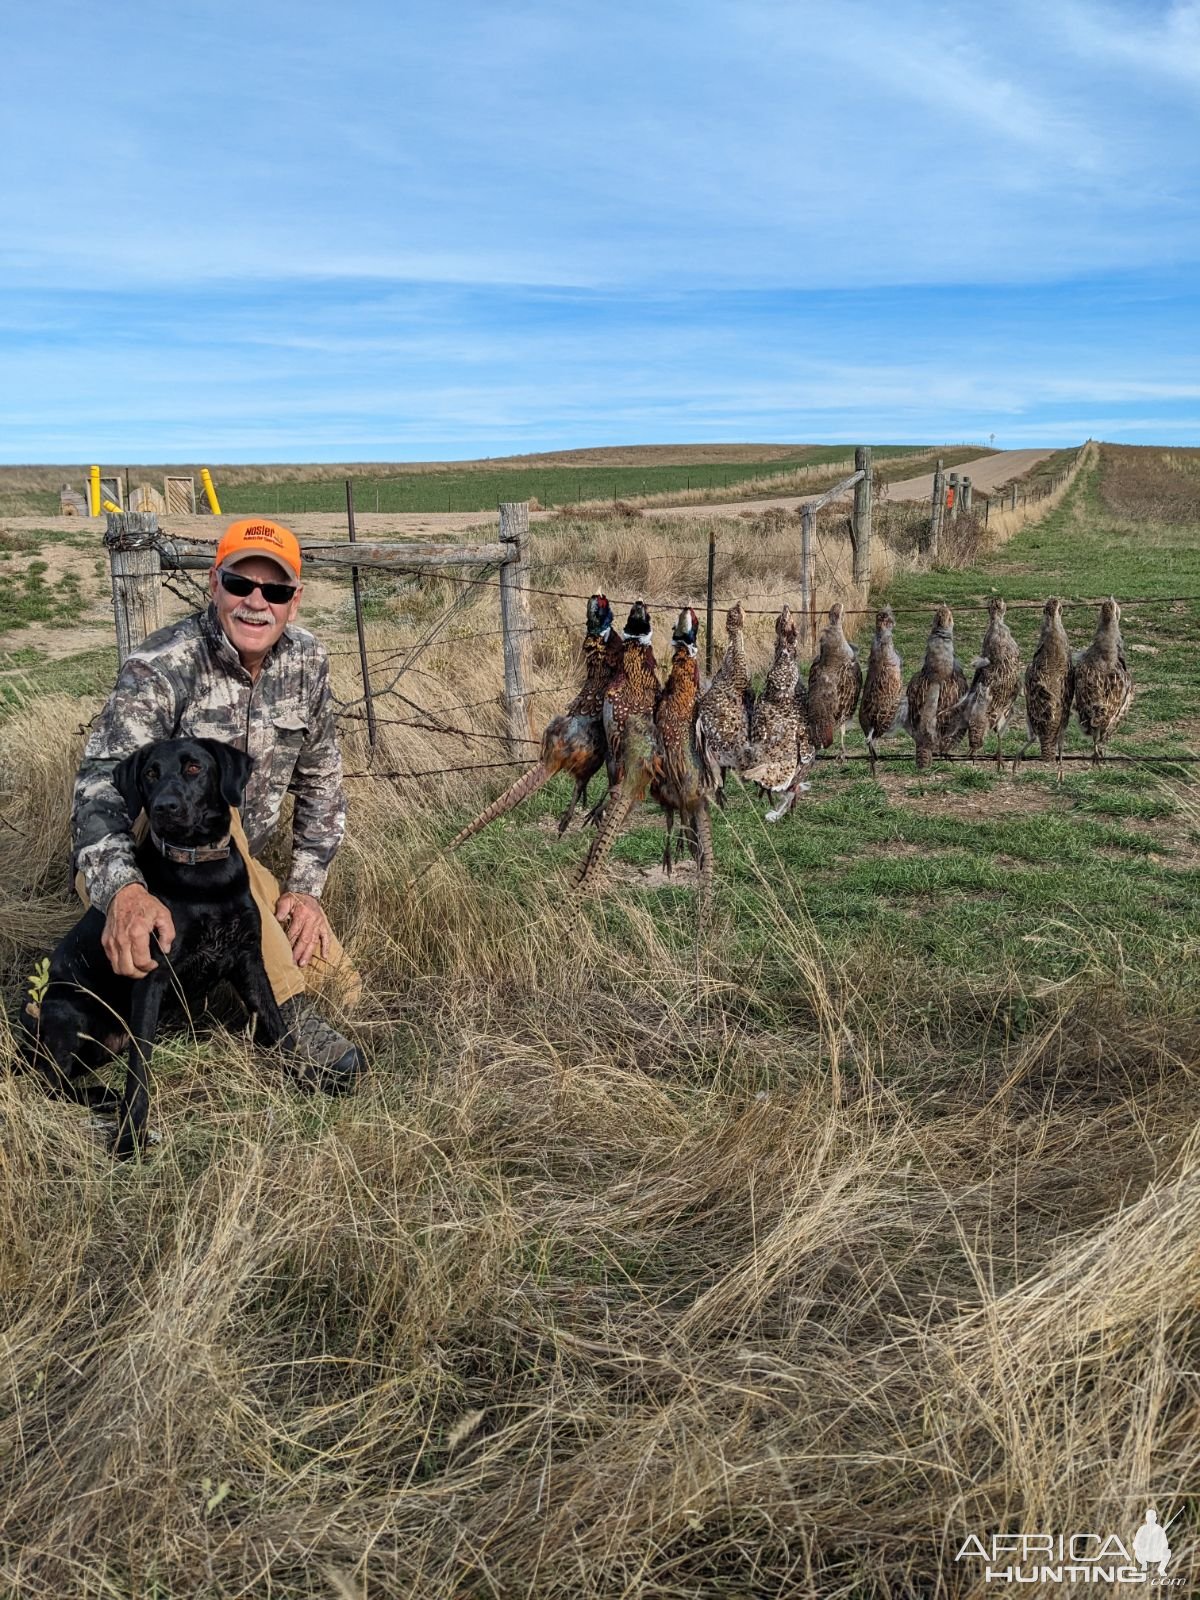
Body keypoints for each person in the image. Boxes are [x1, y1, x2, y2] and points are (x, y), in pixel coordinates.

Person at [71, 517, 362, 1084]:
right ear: (214, 584)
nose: (257, 602)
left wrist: (304, 889)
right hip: (148, 853)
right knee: (229, 862)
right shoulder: (160, 666)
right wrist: (124, 891)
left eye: (275, 591)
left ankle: (237, 994)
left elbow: (322, 780)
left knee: (340, 981)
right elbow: (98, 791)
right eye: (240, 584)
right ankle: (287, 1024)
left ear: (293, 602)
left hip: (236, 862)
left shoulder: (308, 664)